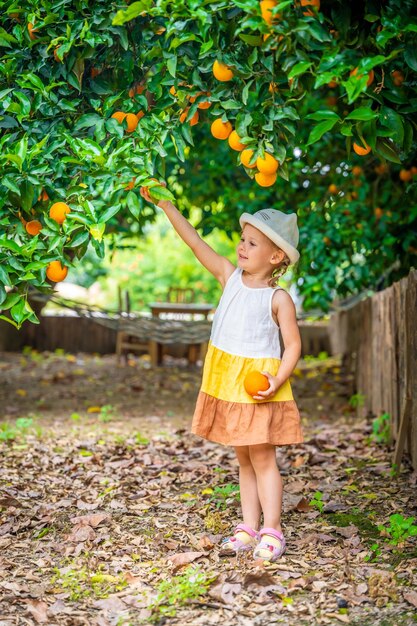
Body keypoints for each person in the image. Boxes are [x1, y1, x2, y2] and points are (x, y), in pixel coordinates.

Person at [140, 184, 303, 562]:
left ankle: (272, 530)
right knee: (243, 459)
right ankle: (248, 527)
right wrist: (167, 206)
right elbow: (195, 243)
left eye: (252, 243)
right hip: (228, 383)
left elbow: (293, 346)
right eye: (242, 239)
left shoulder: (277, 299)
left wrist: (277, 380)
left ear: (277, 255)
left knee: (263, 459)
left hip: (258, 388)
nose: (242, 247)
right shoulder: (229, 277)